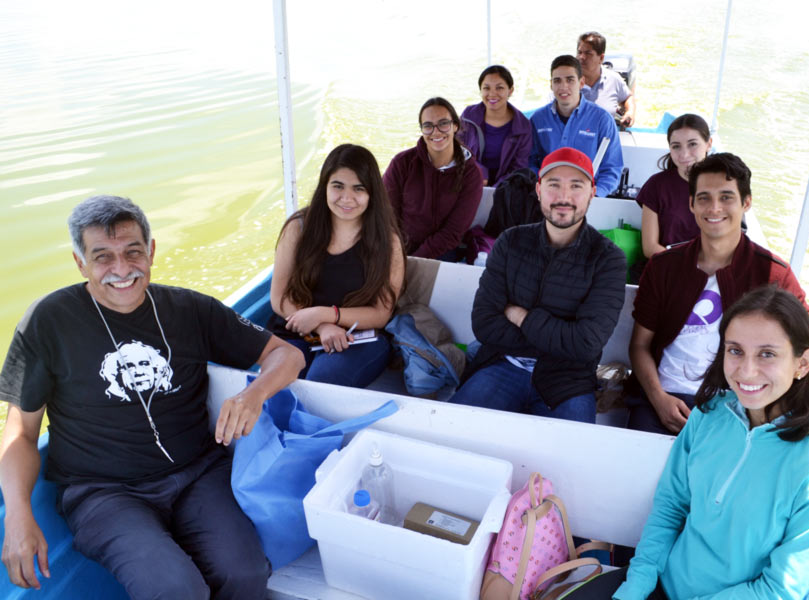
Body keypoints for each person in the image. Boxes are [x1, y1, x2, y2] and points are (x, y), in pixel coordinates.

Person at [0, 195, 305, 599]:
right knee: (174, 588)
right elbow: (21, 433)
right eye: (103, 257)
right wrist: (18, 516)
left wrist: (254, 395)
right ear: (80, 262)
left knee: (246, 573)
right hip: (102, 492)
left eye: (133, 252)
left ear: (152, 251)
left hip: (198, 472)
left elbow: (288, 354)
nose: (122, 269)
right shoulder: (48, 322)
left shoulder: (188, 309)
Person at [611, 286, 809, 599]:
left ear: (803, 364)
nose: (746, 371)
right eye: (735, 350)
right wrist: (637, 585)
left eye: (767, 354)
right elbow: (671, 505)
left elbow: (778, 588)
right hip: (663, 586)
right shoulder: (708, 415)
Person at [627, 153, 809, 435]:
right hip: (663, 397)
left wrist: (775, 413)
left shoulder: (774, 275)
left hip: (739, 403)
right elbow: (639, 346)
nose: (714, 207)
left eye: (727, 197)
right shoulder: (663, 267)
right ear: (691, 204)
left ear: (746, 203)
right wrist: (659, 399)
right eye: (704, 197)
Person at [450, 147, 626, 423]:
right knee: (453, 435)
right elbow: (484, 324)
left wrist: (519, 315)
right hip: (501, 365)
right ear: (539, 190)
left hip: (568, 382)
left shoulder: (607, 259)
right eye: (553, 185)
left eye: (576, 186)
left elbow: (586, 344)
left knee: (571, 463)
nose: (564, 197)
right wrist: (559, 338)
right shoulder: (510, 242)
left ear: (592, 192)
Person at [268, 144, 405, 388]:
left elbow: (381, 314)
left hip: (358, 338)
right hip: (295, 329)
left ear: (372, 193)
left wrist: (327, 314)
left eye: (358, 189)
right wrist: (321, 326)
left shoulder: (388, 241)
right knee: (280, 381)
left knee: (323, 381)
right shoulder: (298, 227)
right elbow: (279, 296)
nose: (347, 198)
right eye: (338, 186)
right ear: (325, 187)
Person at [384, 97, 484, 261]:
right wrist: (397, 256)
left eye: (443, 123)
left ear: (455, 126)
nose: (436, 132)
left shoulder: (471, 175)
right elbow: (386, 215)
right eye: (428, 126)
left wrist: (414, 261)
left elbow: (452, 233)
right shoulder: (402, 163)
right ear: (422, 130)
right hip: (397, 247)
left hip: (441, 251)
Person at [529, 55, 624, 199]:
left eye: (570, 80)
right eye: (557, 81)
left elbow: (612, 168)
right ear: (551, 85)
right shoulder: (538, 119)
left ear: (581, 82)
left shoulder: (602, 120)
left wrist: (596, 195)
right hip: (547, 197)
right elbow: (530, 162)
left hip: (588, 198)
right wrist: (544, 189)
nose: (563, 87)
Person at [637, 113, 712, 258]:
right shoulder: (656, 185)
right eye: (676, 146)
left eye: (692, 144)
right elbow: (650, 247)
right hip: (666, 266)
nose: (684, 154)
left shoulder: (723, 185)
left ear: (708, 144)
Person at [460, 65, 532, 186]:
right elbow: (458, 150)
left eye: (499, 88)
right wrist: (479, 173)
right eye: (486, 88)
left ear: (510, 90)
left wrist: (496, 190)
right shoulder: (468, 116)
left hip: (507, 188)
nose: (492, 94)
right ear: (481, 91)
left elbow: (519, 167)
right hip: (471, 181)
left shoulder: (523, 126)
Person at [576, 31, 636, 127]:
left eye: (588, 53)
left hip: (605, 138)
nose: (581, 57)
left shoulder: (614, 79)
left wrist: (630, 112)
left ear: (601, 58)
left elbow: (628, 97)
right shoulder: (567, 81)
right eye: (579, 52)